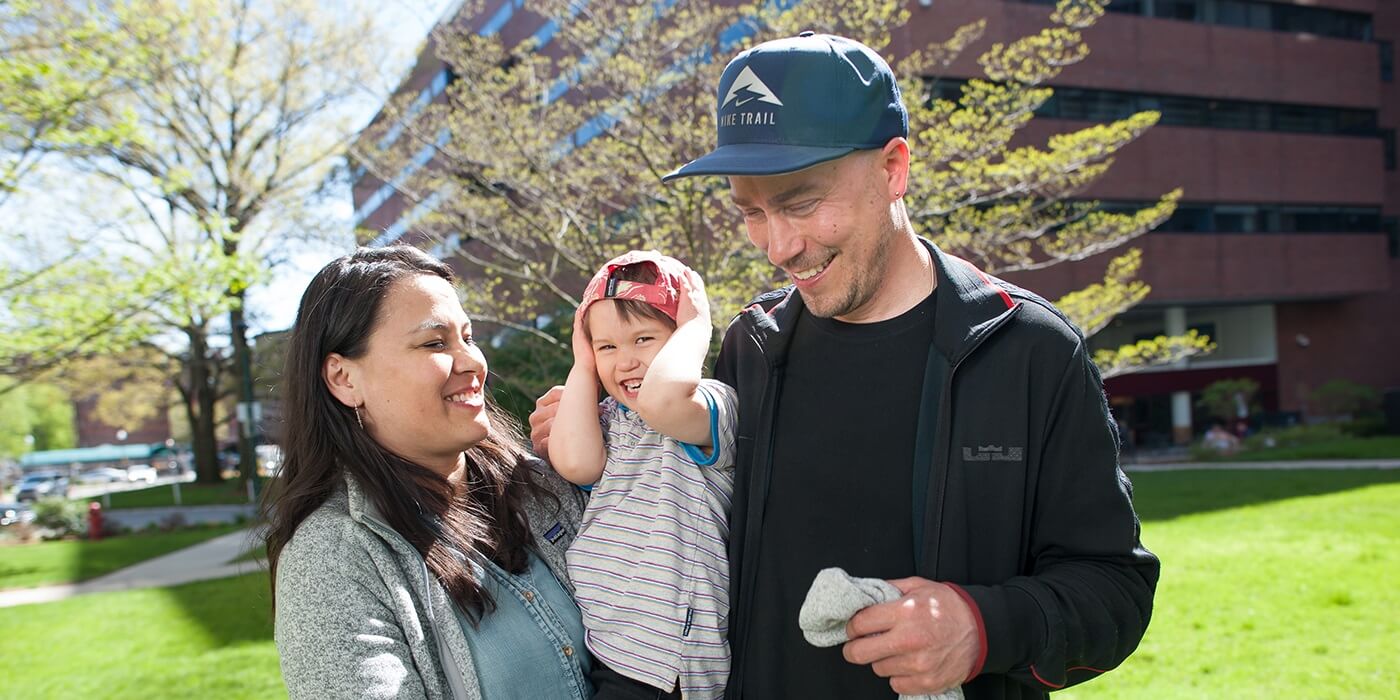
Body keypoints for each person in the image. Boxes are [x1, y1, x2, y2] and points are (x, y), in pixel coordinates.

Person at [532, 32, 1159, 699]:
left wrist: (982, 628)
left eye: (802, 203)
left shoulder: (1029, 349)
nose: (779, 245)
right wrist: (594, 414)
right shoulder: (753, 345)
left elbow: (1113, 590)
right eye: (752, 211)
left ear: (893, 168)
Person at [263, 245, 593, 699]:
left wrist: (613, 459)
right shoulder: (333, 558)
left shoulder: (543, 483)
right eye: (434, 343)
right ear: (344, 378)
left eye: (468, 337)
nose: (473, 362)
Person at [549, 251, 737, 700]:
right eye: (607, 347)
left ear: (679, 339)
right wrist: (582, 366)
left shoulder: (714, 404)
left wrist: (697, 328)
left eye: (644, 339)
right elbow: (575, 463)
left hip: (672, 664)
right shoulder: (608, 420)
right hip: (609, 648)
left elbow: (662, 402)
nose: (625, 361)